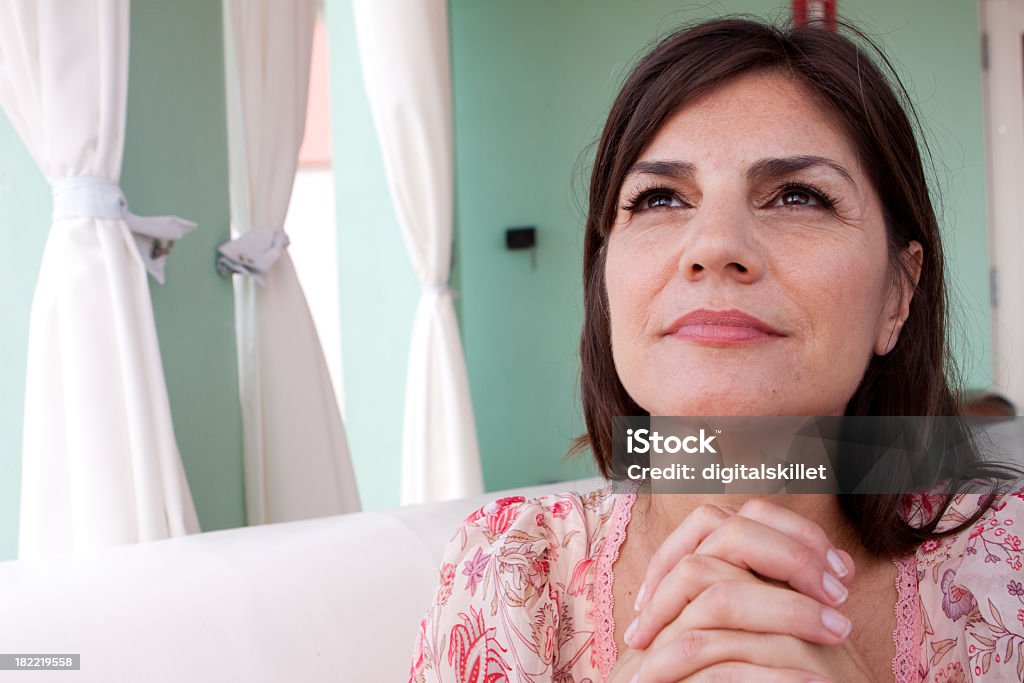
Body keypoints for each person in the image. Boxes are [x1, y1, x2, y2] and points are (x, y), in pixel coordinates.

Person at [409, 17, 1024, 683]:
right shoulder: (504, 575)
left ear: (897, 295)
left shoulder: (1007, 572)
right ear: (605, 281)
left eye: (798, 195)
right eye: (660, 198)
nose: (714, 246)